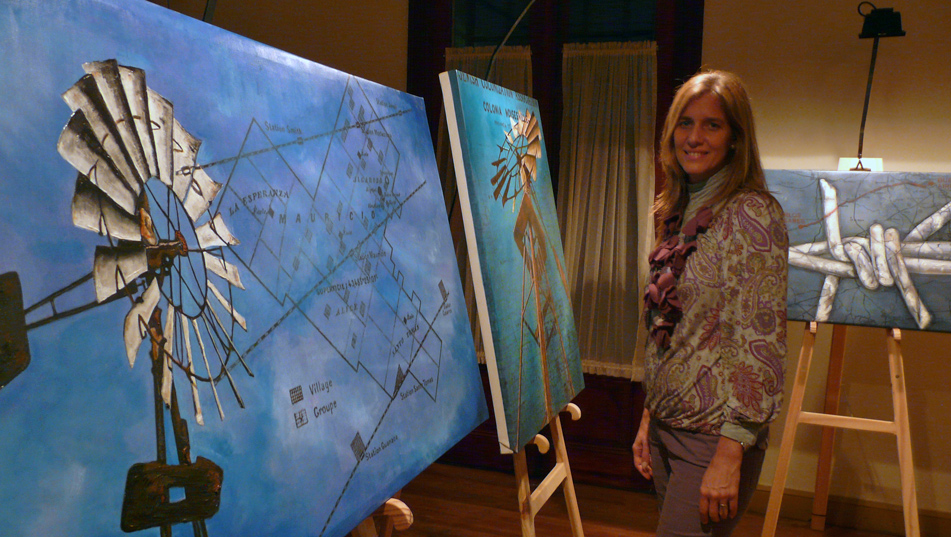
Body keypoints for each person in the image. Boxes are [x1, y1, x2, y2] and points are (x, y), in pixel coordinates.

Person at [632, 70, 789, 536]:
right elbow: (669, 329)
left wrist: (731, 450)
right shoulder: (678, 210)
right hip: (666, 427)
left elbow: (760, 344)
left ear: (736, 138)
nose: (694, 137)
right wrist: (649, 416)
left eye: (712, 125)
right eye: (685, 123)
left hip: (712, 439)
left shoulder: (751, 213)